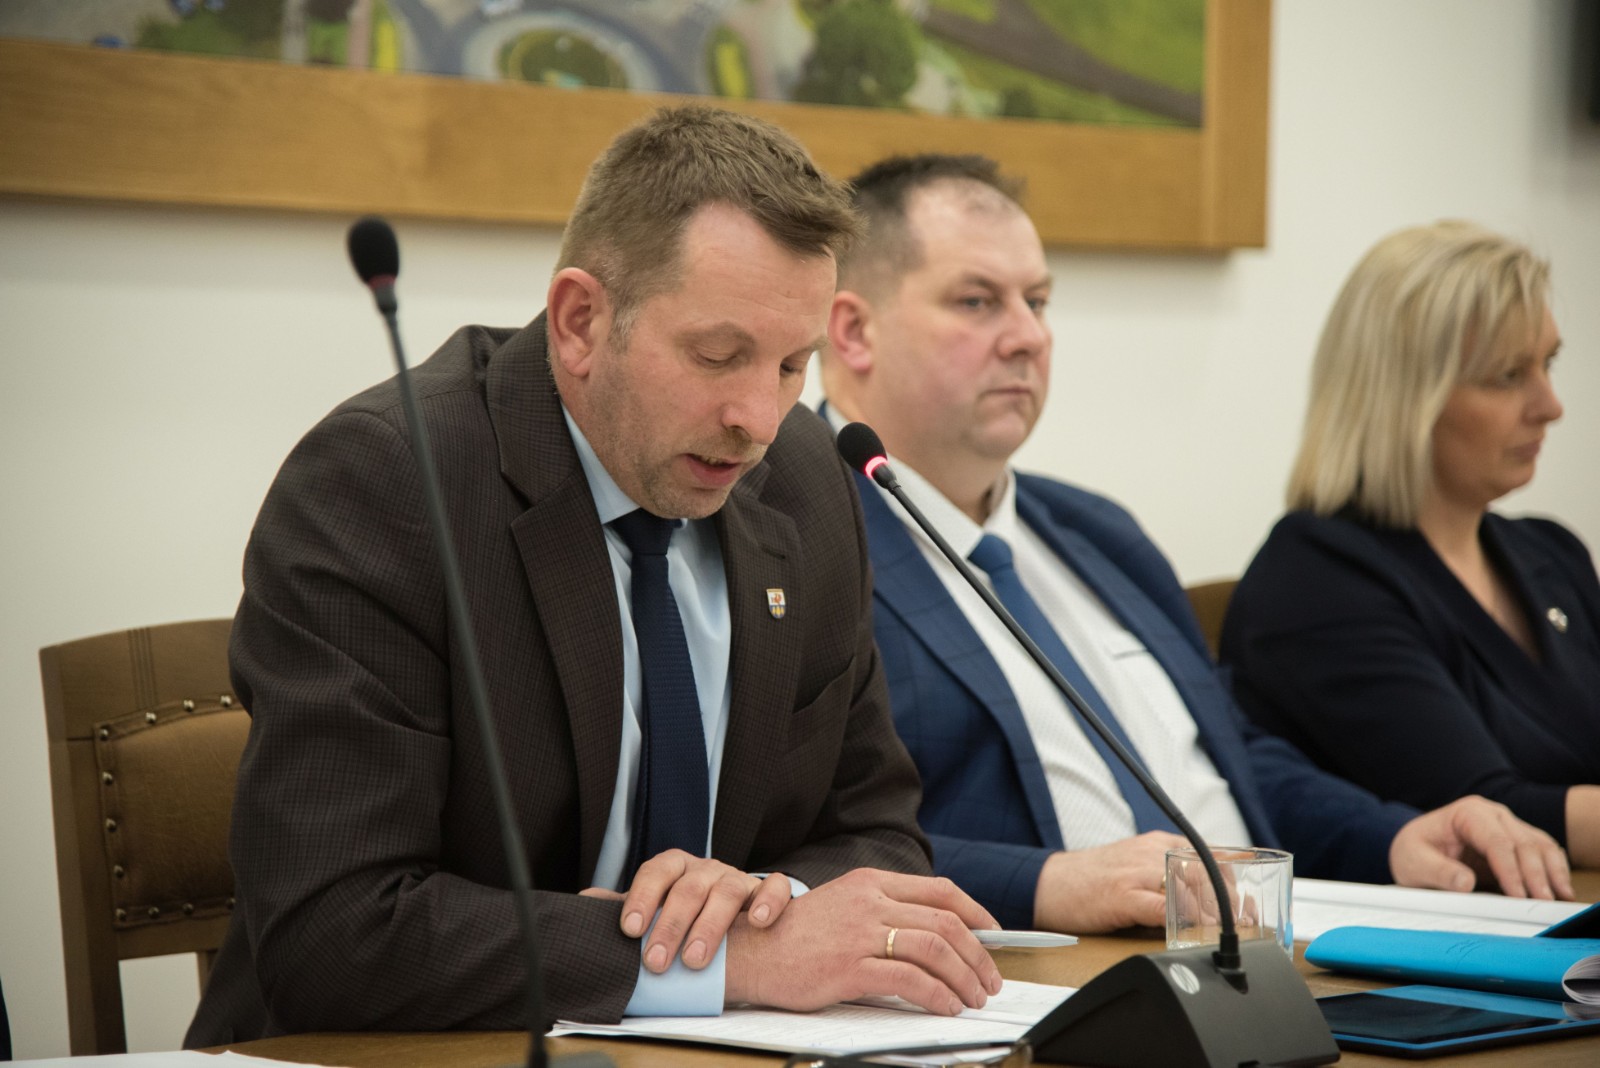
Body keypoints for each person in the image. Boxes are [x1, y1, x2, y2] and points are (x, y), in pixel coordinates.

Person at [186, 108, 1004, 1046]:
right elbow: (333, 932)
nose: (758, 419)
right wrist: (728, 956)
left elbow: (879, 833)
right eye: (719, 355)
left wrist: (769, 900)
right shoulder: (387, 483)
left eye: (791, 365)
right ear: (582, 321)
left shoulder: (805, 479)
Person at [818, 155, 1574, 935]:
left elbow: (1228, 759)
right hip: (1062, 971)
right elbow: (798, 844)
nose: (1030, 337)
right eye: (977, 302)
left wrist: (1392, 837)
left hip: (1263, 944)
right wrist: (1045, 882)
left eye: (1038, 301)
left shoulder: (1096, 532)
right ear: (854, 331)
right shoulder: (794, 544)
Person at [1222, 221, 1600, 870]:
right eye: (1509, 375)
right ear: (1403, 399)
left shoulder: (1550, 552)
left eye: (1549, 364)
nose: (1550, 405)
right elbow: (1485, 820)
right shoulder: (1318, 579)